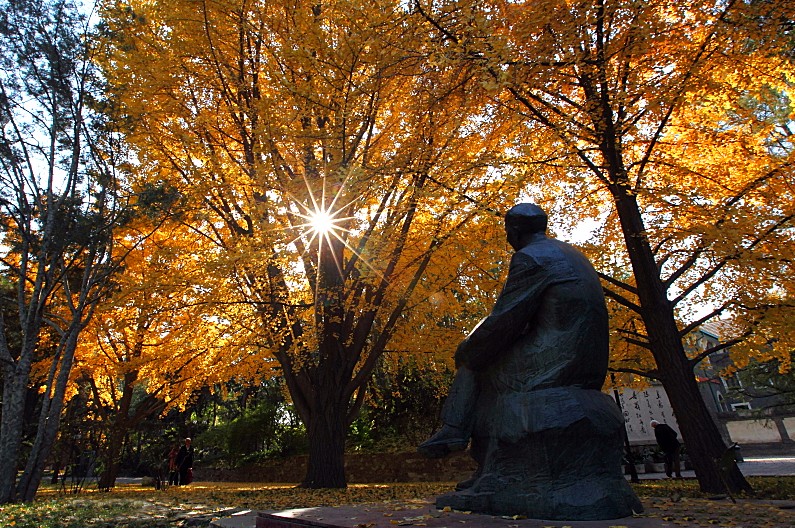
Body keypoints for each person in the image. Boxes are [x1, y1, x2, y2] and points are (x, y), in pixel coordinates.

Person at [418, 202, 610, 460]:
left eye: (507, 230)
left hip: (560, 355)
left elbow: (507, 319)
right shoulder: (571, 253)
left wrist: (468, 349)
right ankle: (487, 470)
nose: (507, 237)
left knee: (477, 364)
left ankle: (455, 432)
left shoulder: (531, 257)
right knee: (487, 359)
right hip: (591, 356)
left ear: (516, 229)